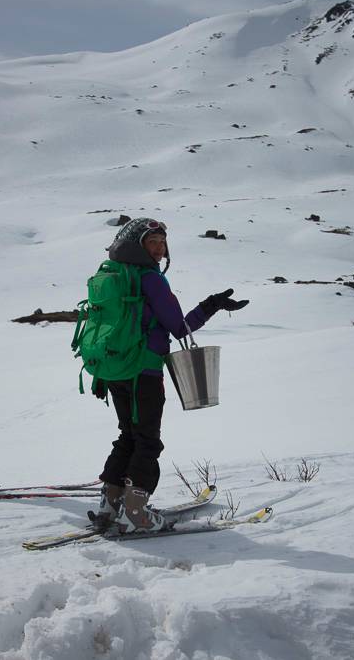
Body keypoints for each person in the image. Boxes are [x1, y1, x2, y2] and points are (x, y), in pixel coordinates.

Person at [91, 218, 249, 532]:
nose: (160, 250)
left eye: (163, 242)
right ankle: (136, 512)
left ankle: (110, 505)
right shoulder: (150, 279)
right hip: (144, 370)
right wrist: (211, 304)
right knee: (148, 441)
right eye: (153, 243)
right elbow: (179, 327)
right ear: (138, 246)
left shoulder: (110, 274)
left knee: (128, 436)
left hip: (114, 369)